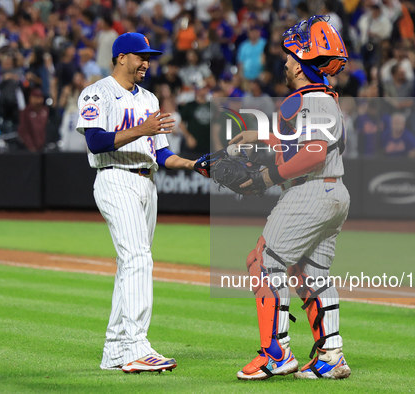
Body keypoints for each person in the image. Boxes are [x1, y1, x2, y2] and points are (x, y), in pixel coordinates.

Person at [228, 15, 351, 380]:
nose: (285, 62)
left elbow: (311, 153)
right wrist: (257, 137)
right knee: (309, 275)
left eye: (289, 57)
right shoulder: (323, 98)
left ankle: (276, 355)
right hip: (333, 191)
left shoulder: (310, 100)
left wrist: (266, 176)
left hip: (311, 189)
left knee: (262, 263)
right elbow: (304, 144)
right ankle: (331, 355)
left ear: (300, 64)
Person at [75, 32, 203, 373]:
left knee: (129, 265)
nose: (146, 62)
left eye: (149, 56)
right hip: (115, 178)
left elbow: (162, 153)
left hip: (147, 183)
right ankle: (136, 346)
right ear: (120, 58)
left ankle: (115, 350)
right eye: (139, 55)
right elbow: (96, 141)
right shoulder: (97, 92)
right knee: (137, 258)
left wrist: (193, 165)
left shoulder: (148, 99)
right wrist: (141, 129)